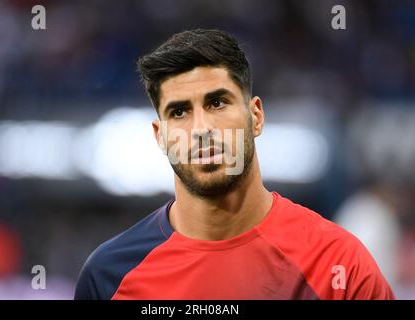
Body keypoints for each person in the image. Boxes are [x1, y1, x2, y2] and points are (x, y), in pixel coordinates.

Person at [74, 29, 394, 300]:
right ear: (160, 136)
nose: (201, 129)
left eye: (217, 103)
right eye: (179, 112)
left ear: (255, 116)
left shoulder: (338, 265)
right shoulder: (108, 275)